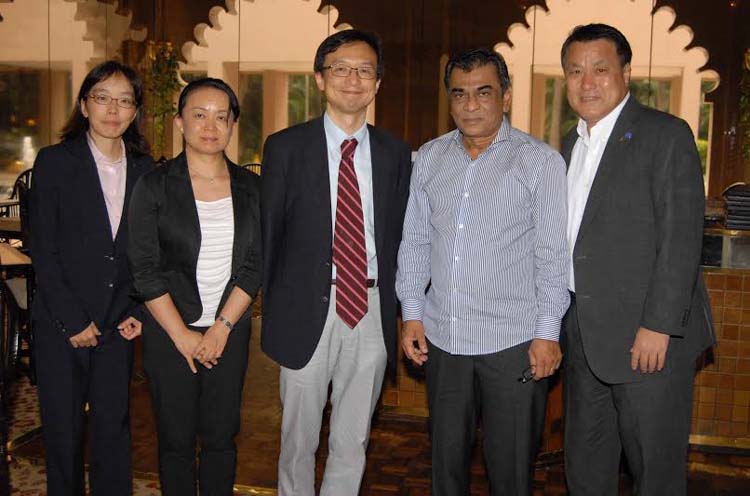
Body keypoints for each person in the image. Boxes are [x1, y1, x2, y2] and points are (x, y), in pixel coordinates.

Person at [396, 47, 569, 495]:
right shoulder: (430, 159)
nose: (470, 105)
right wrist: (412, 313)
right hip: (444, 340)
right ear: (449, 100)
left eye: (483, 92)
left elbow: (553, 255)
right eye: (459, 94)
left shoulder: (541, 162)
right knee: (445, 465)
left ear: (505, 97)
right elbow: (414, 241)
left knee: (510, 469)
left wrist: (548, 332)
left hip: (513, 343)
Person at [560, 23, 715, 495]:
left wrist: (660, 326)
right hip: (585, 335)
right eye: (574, 71)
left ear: (627, 73)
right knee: (585, 467)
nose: (587, 82)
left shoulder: (665, 135)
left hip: (649, 340)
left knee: (655, 471)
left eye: (600, 69)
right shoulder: (571, 142)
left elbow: (682, 239)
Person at [261, 29, 411, 495]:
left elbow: (403, 240)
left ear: (377, 83)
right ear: (320, 79)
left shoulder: (396, 154)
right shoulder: (285, 148)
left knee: (353, 439)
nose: (353, 79)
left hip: (371, 308)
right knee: (297, 439)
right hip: (305, 307)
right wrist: (271, 312)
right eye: (341, 68)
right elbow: (270, 237)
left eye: (365, 70)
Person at [128, 77, 261, 495]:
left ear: (233, 124)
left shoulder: (253, 187)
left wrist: (221, 328)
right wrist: (182, 336)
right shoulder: (154, 184)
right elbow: (146, 269)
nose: (210, 125)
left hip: (230, 330)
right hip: (170, 332)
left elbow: (255, 264)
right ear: (180, 122)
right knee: (175, 442)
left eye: (221, 117)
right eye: (198, 114)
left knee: (222, 438)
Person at [30, 60, 152, 495]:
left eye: (125, 100)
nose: (113, 110)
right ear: (84, 105)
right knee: (63, 435)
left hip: (118, 322)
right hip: (62, 323)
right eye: (102, 98)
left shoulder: (145, 169)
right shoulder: (54, 162)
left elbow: (146, 250)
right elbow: (43, 249)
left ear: (135, 111)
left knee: (113, 432)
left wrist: (138, 307)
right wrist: (72, 321)